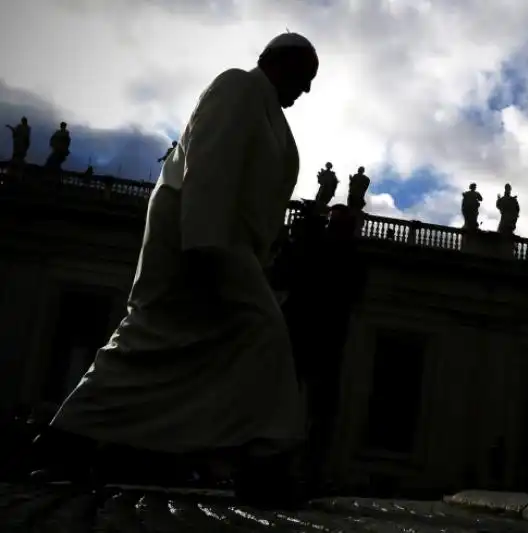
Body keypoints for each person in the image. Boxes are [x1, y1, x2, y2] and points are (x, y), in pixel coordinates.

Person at [30, 32, 319, 505]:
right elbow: (211, 165)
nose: (306, 90)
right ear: (280, 63)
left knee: (153, 347)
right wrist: (204, 244)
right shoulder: (238, 87)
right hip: (203, 241)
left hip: (227, 245)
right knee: (258, 334)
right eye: (305, 77)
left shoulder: (268, 112)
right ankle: (264, 459)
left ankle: (69, 441)